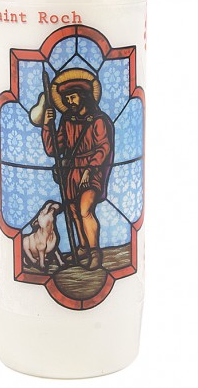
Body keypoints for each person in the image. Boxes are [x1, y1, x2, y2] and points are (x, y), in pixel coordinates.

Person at [42, 71, 114, 270]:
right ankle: (83, 247)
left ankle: (95, 252)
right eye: (66, 99)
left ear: (83, 96)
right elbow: (53, 149)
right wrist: (47, 125)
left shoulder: (98, 120)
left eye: (73, 97)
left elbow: (103, 148)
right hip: (72, 171)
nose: (69, 102)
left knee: (85, 210)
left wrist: (89, 171)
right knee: (73, 211)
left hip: (92, 169)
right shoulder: (67, 120)